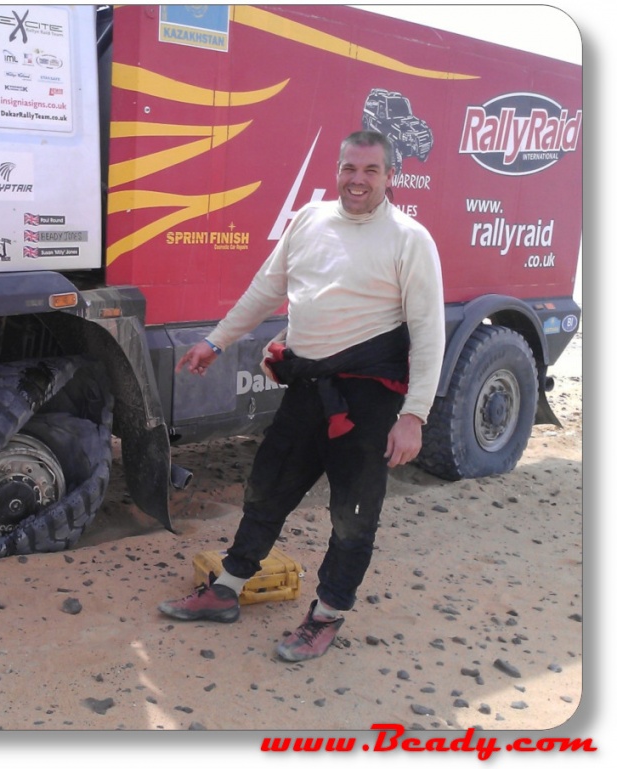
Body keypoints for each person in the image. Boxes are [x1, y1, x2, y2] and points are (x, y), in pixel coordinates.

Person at [159, 130, 445, 663]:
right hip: (307, 389)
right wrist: (214, 342)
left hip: (367, 401)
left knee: (353, 514)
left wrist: (414, 416)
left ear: (390, 176)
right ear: (336, 169)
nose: (357, 180)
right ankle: (226, 588)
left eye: (370, 171)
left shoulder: (409, 238)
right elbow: (266, 288)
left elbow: (429, 332)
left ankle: (327, 615)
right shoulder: (309, 220)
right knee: (267, 489)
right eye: (349, 168)